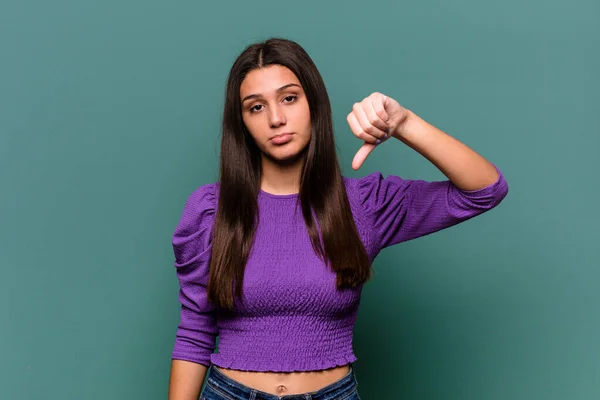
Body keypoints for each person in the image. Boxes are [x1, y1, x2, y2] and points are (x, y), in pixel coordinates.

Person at [167, 38, 509, 400]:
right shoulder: (210, 210)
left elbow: (485, 190)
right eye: (255, 107)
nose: (276, 119)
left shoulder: (365, 204)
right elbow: (194, 332)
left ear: (314, 102)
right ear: (242, 123)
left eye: (289, 98)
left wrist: (404, 123)